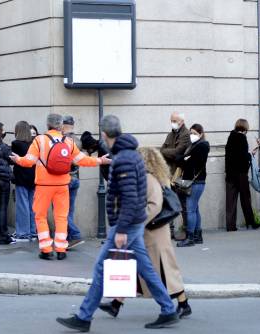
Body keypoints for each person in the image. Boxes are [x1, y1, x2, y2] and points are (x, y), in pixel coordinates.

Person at [56, 115, 179, 331]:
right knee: (146, 268)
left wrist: (120, 229)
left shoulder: (124, 159)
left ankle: (84, 317)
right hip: (131, 223)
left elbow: (131, 197)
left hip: (128, 225)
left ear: (104, 134)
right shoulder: (131, 155)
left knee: (101, 267)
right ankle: (168, 309)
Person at [99, 147, 192, 319]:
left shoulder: (149, 179)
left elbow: (154, 205)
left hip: (153, 232)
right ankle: (116, 304)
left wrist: (136, 222)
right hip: (150, 231)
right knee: (134, 267)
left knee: (165, 271)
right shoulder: (153, 177)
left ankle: (183, 303)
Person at [11, 114, 110, 260]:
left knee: (40, 216)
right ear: (61, 126)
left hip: (44, 185)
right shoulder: (68, 141)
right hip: (63, 184)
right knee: (62, 217)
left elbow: (29, 162)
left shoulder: (40, 140)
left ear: (47, 124)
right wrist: (100, 160)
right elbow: (81, 160)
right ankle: (61, 248)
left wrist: (17, 159)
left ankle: (46, 249)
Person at [176, 124, 210, 247]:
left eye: (195, 133)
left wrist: (184, 159)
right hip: (196, 181)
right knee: (194, 209)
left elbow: (189, 163)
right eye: (191, 133)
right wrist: (184, 159)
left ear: (201, 134)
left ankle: (190, 237)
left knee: (190, 209)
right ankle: (197, 235)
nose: (192, 135)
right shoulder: (194, 146)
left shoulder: (201, 146)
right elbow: (182, 160)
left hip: (196, 182)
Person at [160, 113, 191, 239]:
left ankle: (187, 229)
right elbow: (163, 149)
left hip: (179, 173)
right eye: (171, 120)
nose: (172, 122)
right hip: (169, 173)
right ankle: (170, 231)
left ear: (181, 121)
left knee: (183, 203)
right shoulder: (170, 134)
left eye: (175, 120)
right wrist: (167, 151)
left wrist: (165, 151)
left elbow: (177, 152)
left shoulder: (186, 134)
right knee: (169, 202)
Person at [225, 119, 259, 232]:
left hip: (230, 174)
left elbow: (231, 156)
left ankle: (230, 226)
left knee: (231, 201)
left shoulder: (231, 137)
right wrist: (250, 155)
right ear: (245, 127)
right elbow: (243, 157)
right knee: (245, 199)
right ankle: (251, 223)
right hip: (240, 174)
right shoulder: (242, 138)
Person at [61, 116, 85, 249]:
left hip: (65, 179)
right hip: (76, 179)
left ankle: (75, 235)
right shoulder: (78, 140)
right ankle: (68, 238)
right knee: (69, 211)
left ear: (63, 125)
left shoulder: (64, 140)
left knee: (60, 211)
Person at [11, 121, 36, 242]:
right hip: (34, 177)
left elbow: (12, 160)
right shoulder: (33, 143)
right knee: (32, 206)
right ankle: (32, 231)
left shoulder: (16, 144)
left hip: (21, 178)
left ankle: (23, 233)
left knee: (22, 205)